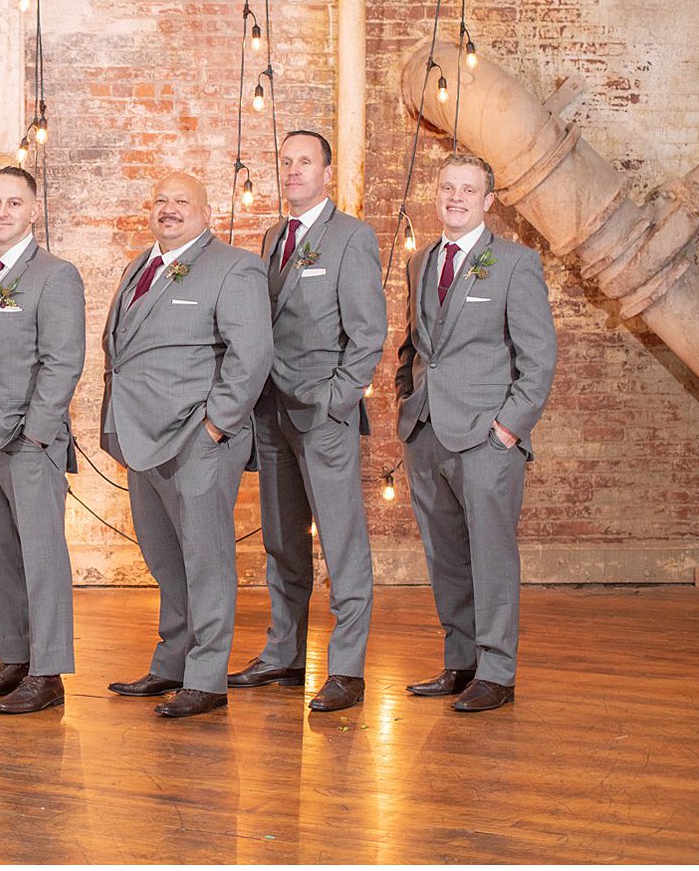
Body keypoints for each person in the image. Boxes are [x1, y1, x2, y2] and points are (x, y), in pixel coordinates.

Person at [100, 172, 272, 718]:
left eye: (182, 201)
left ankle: (206, 679)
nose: (169, 210)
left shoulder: (235, 267)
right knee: (163, 558)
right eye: (161, 201)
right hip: (139, 437)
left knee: (207, 560)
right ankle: (172, 661)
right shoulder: (139, 266)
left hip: (197, 440)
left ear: (207, 214)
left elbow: (252, 355)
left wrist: (215, 427)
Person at [230, 130, 387, 713]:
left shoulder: (352, 237)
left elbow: (369, 332)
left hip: (324, 413)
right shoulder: (274, 236)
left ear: (327, 172)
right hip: (269, 412)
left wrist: (337, 399)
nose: (293, 170)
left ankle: (347, 669)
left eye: (305, 162)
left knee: (342, 541)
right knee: (281, 538)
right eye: (287, 162)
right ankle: (284, 653)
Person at [395, 152, 556, 713]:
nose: (455, 198)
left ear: (488, 202)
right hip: (427, 433)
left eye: (468, 190)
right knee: (445, 557)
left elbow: (538, 359)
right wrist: (406, 408)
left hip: (488, 440)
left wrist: (507, 431)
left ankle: (497, 671)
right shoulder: (421, 262)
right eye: (447, 188)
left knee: (491, 555)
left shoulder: (515, 263)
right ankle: (460, 662)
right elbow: (413, 348)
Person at [0, 166, 86, 715]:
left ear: (33, 211)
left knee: (42, 556)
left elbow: (63, 362)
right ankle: (15, 659)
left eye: (14, 203)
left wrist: (34, 435)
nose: (2, 212)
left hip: (30, 443)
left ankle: (48, 671)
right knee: (1, 555)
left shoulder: (55, 276)